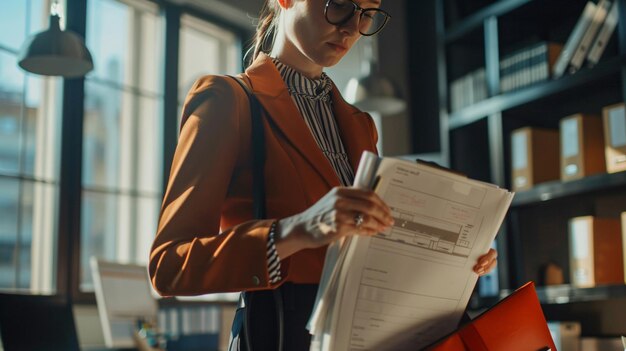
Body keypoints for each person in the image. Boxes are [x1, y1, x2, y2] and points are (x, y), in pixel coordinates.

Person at [148, 0, 498, 349]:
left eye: (367, 14)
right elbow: (168, 266)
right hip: (286, 333)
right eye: (341, 5)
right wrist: (294, 231)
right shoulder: (226, 99)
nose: (351, 28)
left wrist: (455, 256)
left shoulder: (361, 125)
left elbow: (369, 249)